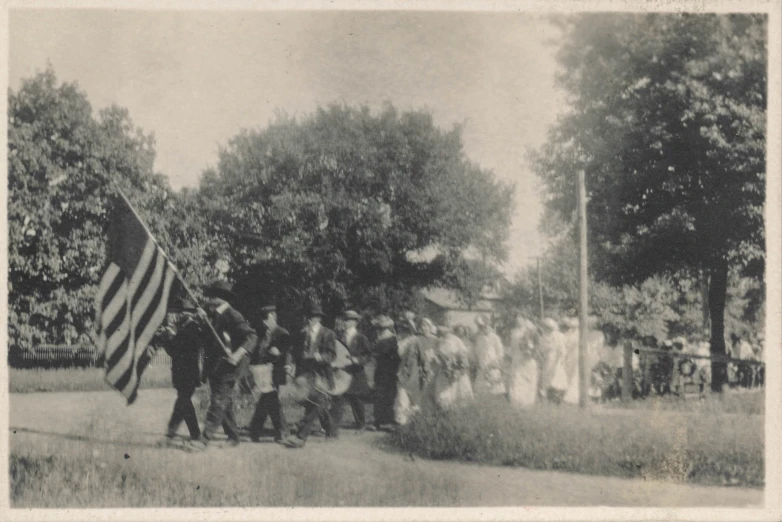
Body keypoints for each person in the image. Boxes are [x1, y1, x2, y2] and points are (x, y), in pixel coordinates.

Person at [191, 280, 258, 451]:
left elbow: (251, 337)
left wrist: (237, 355)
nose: (208, 300)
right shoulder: (212, 315)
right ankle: (234, 436)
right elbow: (207, 338)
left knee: (218, 400)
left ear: (220, 299)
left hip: (230, 366)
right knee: (224, 401)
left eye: (211, 297)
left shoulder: (233, 315)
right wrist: (202, 320)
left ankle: (203, 439)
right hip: (215, 366)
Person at [284, 302, 338, 448]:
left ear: (319, 318)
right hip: (305, 376)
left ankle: (301, 437)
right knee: (316, 405)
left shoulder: (328, 333)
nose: (309, 320)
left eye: (313, 317)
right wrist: (289, 364)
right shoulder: (301, 334)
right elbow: (292, 351)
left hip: (321, 375)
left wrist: (318, 357)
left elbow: (332, 355)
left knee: (314, 404)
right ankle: (332, 431)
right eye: (308, 317)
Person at [157, 296, 205, 448]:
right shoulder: (185, 328)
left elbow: (177, 350)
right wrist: (168, 338)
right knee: (182, 402)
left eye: (180, 313)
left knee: (184, 402)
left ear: (188, 313)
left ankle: (191, 434)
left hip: (187, 373)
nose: (177, 316)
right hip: (183, 372)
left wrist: (166, 339)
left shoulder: (191, 328)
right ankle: (173, 434)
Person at [248, 304, 291, 443]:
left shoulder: (282, 333)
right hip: (262, 372)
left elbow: (288, 351)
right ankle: (262, 431)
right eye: (264, 321)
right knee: (268, 400)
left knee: (269, 400)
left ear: (272, 318)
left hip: (274, 372)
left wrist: (281, 354)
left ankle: (258, 431)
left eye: (267, 320)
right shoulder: (263, 333)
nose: (265, 323)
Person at [330, 310, 373, 433]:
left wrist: (358, 360)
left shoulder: (361, 338)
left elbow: (368, 356)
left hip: (355, 373)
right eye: (344, 320)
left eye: (348, 320)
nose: (345, 322)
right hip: (341, 373)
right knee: (337, 398)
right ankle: (332, 426)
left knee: (356, 400)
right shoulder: (339, 337)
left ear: (354, 322)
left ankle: (361, 425)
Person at [395, 312, 429, 425]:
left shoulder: (415, 341)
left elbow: (423, 359)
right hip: (401, 373)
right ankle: (402, 424)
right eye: (401, 328)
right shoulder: (399, 342)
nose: (403, 331)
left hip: (413, 373)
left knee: (413, 399)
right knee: (401, 399)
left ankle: (413, 423)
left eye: (406, 328)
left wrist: (426, 372)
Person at [431, 325, 474, 409]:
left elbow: (463, 352)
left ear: (450, 331)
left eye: (446, 331)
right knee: (443, 388)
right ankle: (445, 406)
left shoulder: (456, 339)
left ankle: (459, 408)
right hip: (444, 368)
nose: (444, 332)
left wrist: (458, 362)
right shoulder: (439, 341)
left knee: (458, 388)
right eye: (441, 331)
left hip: (456, 368)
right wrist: (440, 360)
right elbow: (437, 353)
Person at [371, 315, 400, 430]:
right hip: (380, 369)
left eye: (383, 327)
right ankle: (378, 420)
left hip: (390, 370)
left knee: (389, 394)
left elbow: (394, 355)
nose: (380, 329)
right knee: (379, 394)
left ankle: (387, 421)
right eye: (379, 327)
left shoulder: (392, 338)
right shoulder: (378, 338)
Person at [507, 316, 540, 408]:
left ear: (524, 319)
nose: (518, 320)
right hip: (516, 357)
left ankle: (527, 403)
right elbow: (512, 345)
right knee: (516, 379)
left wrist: (530, 350)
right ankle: (516, 402)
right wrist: (509, 356)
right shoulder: (513, 331)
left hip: (527, 357)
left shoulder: (529, 330)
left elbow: (535, 343)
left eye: (520, 318)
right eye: (517, 319)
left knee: (528, 379)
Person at [472, 315, 506, 396]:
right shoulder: (478, 337)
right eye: (479, 326)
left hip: (491, 359)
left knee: (493, 375)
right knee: (482, 375)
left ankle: (494, 392)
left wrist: (496, 360)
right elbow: (476, 349)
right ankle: (483, 392)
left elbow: (500, 350)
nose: (481, 327)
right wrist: (476, 358)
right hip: (481, 359)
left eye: (482, 326)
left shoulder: (494, 336)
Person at [539, 318, 568, 404]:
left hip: (557, 358)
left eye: (547, 327)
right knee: (546, 376)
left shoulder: (559, 336)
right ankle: (546, 396)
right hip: (547, 358)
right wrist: (542, 355)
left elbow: (562, 349)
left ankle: (557, 398)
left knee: (557, 376)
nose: (546, 329)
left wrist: (561, 358)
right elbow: (541, 348)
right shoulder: (544, 336)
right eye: (545, 327)